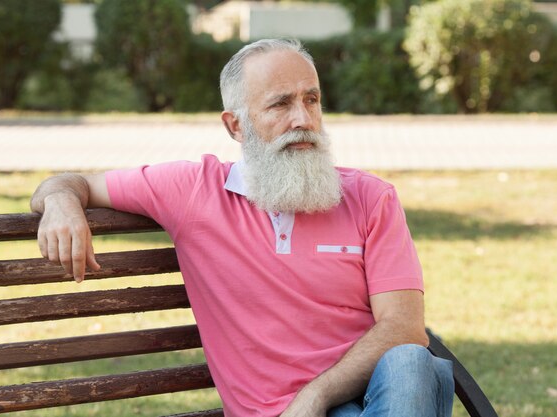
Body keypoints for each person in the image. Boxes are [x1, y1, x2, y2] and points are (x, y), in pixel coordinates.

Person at [31, 39, 454, 417]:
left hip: (371, 398)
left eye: (312, 100)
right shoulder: (192, 191)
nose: (303, 119)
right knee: (420, 369)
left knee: (412, 363)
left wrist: (316, 397)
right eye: (280, 104)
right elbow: (71, 182)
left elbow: (403, 328)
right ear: (235, 126)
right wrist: (61, 201)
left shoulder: (369, 197)